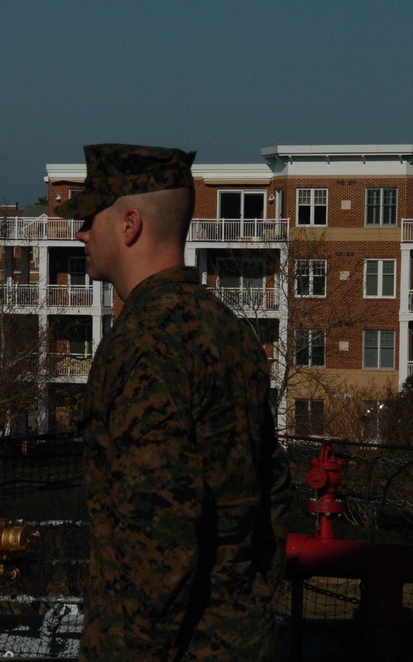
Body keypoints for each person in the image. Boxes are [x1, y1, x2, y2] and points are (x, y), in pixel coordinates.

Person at [57, 144, 291, 661]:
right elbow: (273, 492)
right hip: (242, 635)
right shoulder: (229, 329)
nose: (80, 234)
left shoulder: (142, 344)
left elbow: (160, 536)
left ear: (130, 225)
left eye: (89, 219)